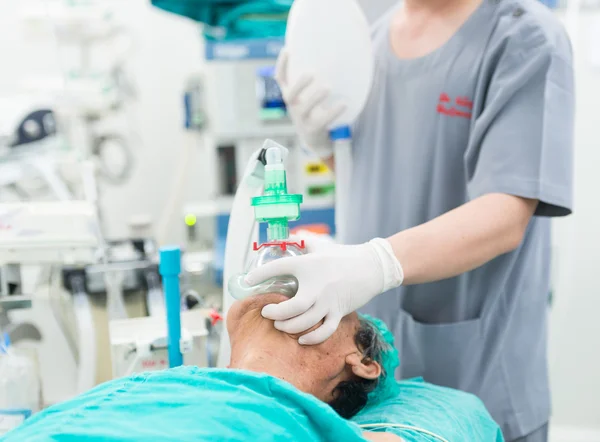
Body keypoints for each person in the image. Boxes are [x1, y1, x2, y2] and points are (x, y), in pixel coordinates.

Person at [244, 0, 575, 441]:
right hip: (369, 398)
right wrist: (322, 145)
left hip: (478, 378)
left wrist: (374, 263)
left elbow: (505, 213)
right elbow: (385, 178)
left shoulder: (521, 37)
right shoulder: (370, 44)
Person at [1, 293, 399, 442]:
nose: (305, 293)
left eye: (330, 306)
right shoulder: (161, 383)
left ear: (362, 364)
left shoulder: (311, 426)